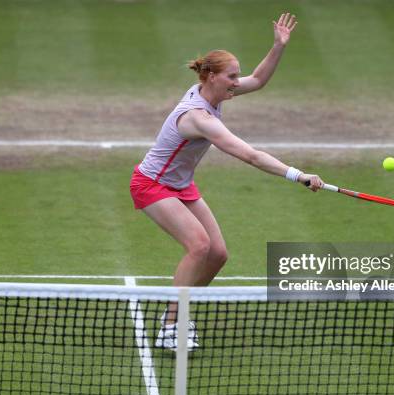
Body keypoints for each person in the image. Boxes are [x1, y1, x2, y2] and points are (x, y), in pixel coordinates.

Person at [129, 13, 324, 350]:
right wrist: (298, 175)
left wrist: (278, 46)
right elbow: (249, 155)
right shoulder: (198, 117)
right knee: (199, 246)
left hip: (181, 186)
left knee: (217, 254)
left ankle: (179, 310)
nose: (237, 82)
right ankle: (172, 325)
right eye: (232, 77)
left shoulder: (214, 94)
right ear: (211, 77)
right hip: (151, 185)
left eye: (237, 76)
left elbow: (259, 80)